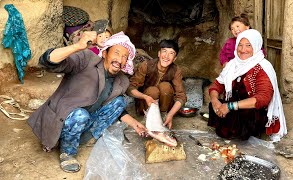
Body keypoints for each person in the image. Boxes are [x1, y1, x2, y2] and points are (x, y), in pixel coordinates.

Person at [27, 31, 147, 173]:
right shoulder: (87, 59)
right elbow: (48, 62)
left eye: (124, 57)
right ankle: (67, 152)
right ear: (104, 54)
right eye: (116, 53)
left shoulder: (122, 81)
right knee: (80, 115)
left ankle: (86, 137)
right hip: (63, 117)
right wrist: (77, 46)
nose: (119, 59)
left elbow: (115, 108)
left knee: (120, 102)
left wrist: (135, 124)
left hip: (86, 119)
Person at [208, 29, 287, 142]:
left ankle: (244, 131)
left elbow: (263, 98)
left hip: (252, 111)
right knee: (213, 105)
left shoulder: (262, 67)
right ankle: (232, 126)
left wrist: (230, 106)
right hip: (234, 107)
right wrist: (215, 100)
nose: (243, 50)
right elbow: (217, 85)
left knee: (245, 116)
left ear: (256, 46)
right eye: (240, 45)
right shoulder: (232, 64)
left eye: (248, 45)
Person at [127, 40, 187, 129]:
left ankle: (163, 116)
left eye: (171, 53)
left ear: (174, 58)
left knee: (165, 86)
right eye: (164, 51)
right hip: (145, 105)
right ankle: (148, 118)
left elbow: (181, 96)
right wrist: (145, 97)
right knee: (153, 91)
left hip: (165, 106)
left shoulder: (176, 70)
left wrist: (170, 114)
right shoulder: (146, 65)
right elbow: (130, 88)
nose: (166, 56)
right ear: (159, 53)